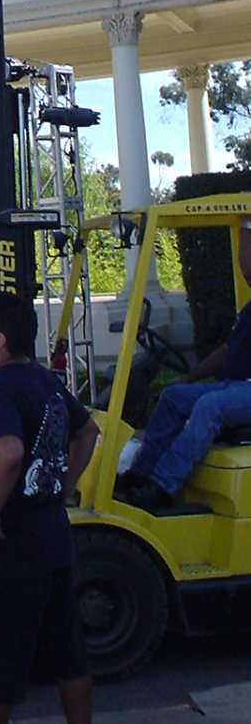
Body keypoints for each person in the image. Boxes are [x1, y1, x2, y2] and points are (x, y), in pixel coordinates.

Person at [0, 291, 100, 724]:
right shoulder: (45, 381)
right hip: (53, 544)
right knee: (68, 655)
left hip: (8, 554)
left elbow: (9, 453)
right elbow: (88, 432)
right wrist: (62, 487)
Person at [119, 214, 251, 510]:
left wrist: (245, 223)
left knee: (209, 407)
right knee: (173, 397)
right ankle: (138, 475)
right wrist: (188, 378)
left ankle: (162, 486)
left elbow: (248, 268)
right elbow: (227, 352)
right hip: (235, 387)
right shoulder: (249, 310)